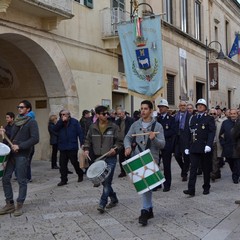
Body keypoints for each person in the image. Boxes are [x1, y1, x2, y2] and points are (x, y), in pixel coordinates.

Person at [124, 100, 165, 226]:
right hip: (138, 157)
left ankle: (145, 211)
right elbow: (128, 137)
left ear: (151, 110)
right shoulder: (135, 124)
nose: (143, 111)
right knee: (143, 185)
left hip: (151, 158)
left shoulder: (158, 126)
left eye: (145, 108)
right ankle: (149, 209)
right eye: (141, 108)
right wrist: (127, 147)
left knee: (146, 185)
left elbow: (162, 144)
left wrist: (154, 139)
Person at [0, 100, 39, 217]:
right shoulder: (17, 121)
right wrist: (3, 135)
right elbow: (11, 138)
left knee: (22, 180)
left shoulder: (32, 122)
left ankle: (19, 204)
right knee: (5, 178)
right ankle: (9, 203)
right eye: (18, 107)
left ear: (28, 109)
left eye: (22, 107)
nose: (19, 109)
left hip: (22, 154)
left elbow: (35, 139)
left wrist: (20, 146)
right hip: (11, 154)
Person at [83, 105, 121, 213]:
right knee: (104, 182)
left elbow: (119, 141)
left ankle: (102, 203)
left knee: (107, 180)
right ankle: (113, 198)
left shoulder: (114, 127)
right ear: (98, 115)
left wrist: (115, 149)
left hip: (110, 158)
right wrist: (86, 149)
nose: (106, 115)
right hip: (98, 158)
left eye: (107, 113)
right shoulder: (92, 127)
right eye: (104, 114)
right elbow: (87, 139)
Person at [183, 99, 216, 196]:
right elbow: (189, 132)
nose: (200, 107)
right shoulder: (193, 118)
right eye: (198, 105)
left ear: (205, 107)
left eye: (202, 105)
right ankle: (191, 189)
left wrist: (209, 145)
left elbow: (211, 132)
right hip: (194, 147)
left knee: (206, 168)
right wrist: (187, 146)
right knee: (193, 168)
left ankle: (206, 186)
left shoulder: (209, 118)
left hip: (204, 147)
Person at [54, 109, 84, 186]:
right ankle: (63, 179)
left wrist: (82, 143)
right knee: (62, 164)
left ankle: (80, 173)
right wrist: (61, 121)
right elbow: (55, 129)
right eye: (61, 115)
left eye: (65, 114)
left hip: (72, 146)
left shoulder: (74, 122)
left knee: (74, 162)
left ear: (69, 115)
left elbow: (80, 133)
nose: (63, 116)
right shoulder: (59, 122)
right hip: (62, 146)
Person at [157, 99, 176, 192]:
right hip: (157, 145)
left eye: (162, 107)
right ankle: (157, 183)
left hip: (166, 144)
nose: (160, 109)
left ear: (167, 108)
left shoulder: (171, 119)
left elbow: (173, 131)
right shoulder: (156, 119)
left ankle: (167, 184)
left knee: (166, 166)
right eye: (159, 107)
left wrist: (161, 134)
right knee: (156, 165)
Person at [219, 109, 240, 184]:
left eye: (234, 113)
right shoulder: (225, 123)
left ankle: (235, 177)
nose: (233, 115)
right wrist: (223, 143)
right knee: (230, 162)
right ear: (229, 114)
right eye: (231, 114)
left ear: (237, 114)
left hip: (238, 148)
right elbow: (220, 135)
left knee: (237, 163)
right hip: (228, 146)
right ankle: (235, 173)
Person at [115, 107, 134, 177]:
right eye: (118, 114)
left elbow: (134, 131)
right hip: (120, 143)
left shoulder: (131, 120)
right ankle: (123, 171)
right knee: (121, 158)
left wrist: (134, 141)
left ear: (123, 112)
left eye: (120, 114)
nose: (119, 115)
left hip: (129, 142)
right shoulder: (117, 122)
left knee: (129, 157)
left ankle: (131, 171)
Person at [174, 101, 191, 181]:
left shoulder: (190, 116)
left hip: (186, 139)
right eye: (181, 105)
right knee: (177, 155)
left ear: (186, 106)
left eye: (184, 105)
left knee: (186, 157)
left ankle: (184, 173)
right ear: (179, 106)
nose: (183, 107)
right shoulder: (175, 116)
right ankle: (184, 168)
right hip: (177, 139)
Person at [209, 108, 225, 181]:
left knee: (215, 159)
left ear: (217, 114)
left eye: (214, 114)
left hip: (217, 143)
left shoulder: (221, 122)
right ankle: (216, 173)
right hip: (208, 143)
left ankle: (213, 174)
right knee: (211, 159)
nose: (212, 115)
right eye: (211, 114)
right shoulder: (207, 121)